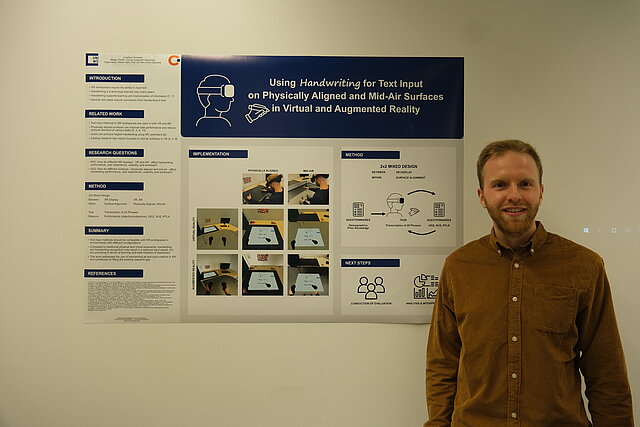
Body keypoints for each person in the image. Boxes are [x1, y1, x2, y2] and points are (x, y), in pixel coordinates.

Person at [425, 139, 633, 426]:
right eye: (500, 185)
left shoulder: (585, 266)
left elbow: (606, 369)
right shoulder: (458, 267)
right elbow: (442, 363)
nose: (514, 195)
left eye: (525, 184)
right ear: (482, 196)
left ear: (540, 192)